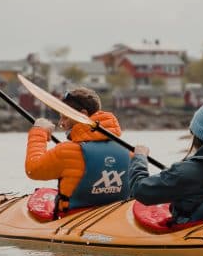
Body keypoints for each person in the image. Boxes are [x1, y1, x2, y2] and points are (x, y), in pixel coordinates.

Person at [25, 87, 132, 217]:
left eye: (65, 117)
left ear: (83, 114)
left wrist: (39, 131)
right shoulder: (129, 153)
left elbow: (33, 169)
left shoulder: (67, 151)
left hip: (74, 221)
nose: (61, 124)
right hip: (116, 219)